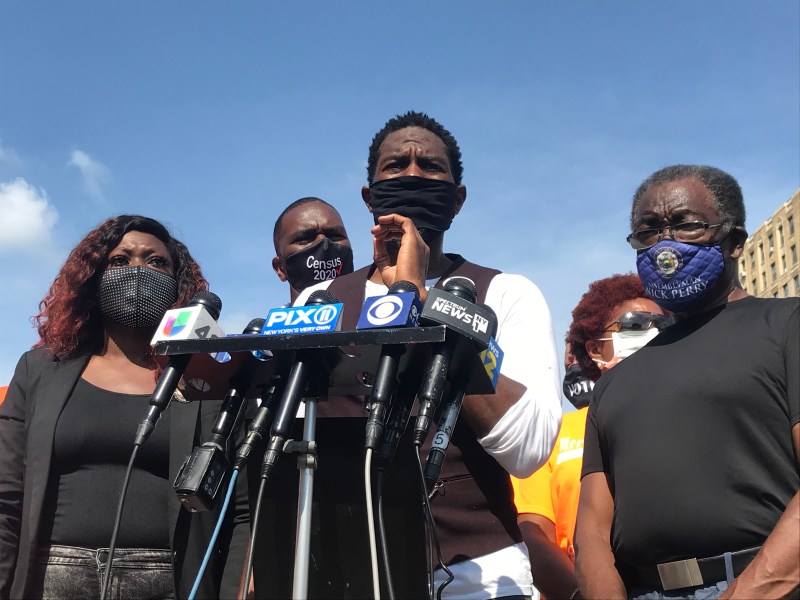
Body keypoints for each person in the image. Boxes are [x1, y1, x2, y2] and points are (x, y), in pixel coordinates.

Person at [294, 111, 562, 599]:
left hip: (477, 575)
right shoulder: (319, 301)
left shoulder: (506, 293)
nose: (413, 175)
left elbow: (528, 450)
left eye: (431, 167)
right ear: (369, 196)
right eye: (396, 165)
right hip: (343, 570)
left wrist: (419, 303)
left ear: (458, 198)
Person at [575, 166, 799, 600]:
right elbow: (592, 535)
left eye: (686, 224)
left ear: (734, 241)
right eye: (649, 230)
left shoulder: (788, 325)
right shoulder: (613, 384)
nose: (665, 244)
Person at [0, 215, 249, 599]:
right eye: (120, 260)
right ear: (92, 279)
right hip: (52, 579)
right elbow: (7, 494)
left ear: (178, 285)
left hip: (167, 580)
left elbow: (240, 510)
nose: (138, 270)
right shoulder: (39, 370)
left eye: (156, 262)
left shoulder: (209, 378)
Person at [511, 274, 669, 600]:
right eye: (636, 325)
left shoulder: (688, 417)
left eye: (664, 326)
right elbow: (533, 532)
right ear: (595, 348)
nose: (652, 334)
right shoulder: (553, 436)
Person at [271, 196, 354, 304]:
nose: (323, 242)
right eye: (304, 239)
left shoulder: (378, 315)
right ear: (280, 268)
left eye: (335, 236)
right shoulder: (275, 321)